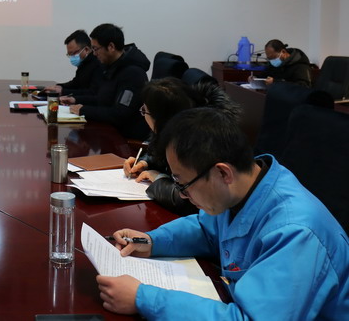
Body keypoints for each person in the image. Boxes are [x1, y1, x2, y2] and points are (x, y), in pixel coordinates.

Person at [97, 107, 349, 319]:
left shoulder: (296, 232)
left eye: (183, 184)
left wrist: (144, 299)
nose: (183, 195)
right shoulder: (245, 188)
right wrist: (153, 242)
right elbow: (207, 230)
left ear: (222, 172)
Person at [123, 78, 241, 215]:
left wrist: (158, 179)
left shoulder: (198, 142)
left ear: (160, 118)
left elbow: (189, 201)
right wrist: (145, 162)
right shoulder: (178, 128)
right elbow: (159, 154)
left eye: (145, 111)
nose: (143, 115)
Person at [60, 23, 150, 140]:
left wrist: (83, 110)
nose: (94, 53)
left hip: (123, 139)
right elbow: (101, 98)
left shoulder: (133, 74)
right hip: (107, 130)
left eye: (96, 49)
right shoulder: (110, 68)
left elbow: (120, 114)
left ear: (111, 47)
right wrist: (75, 100)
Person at [44, 29, 102, 96]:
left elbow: (92, 93)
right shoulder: (83, 63)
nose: (72, 57)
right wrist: (58, 86)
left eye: (74, 53)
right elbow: (75, 83)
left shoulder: (98, 64)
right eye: (69, 54)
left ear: (86, 49)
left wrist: (63, 91)